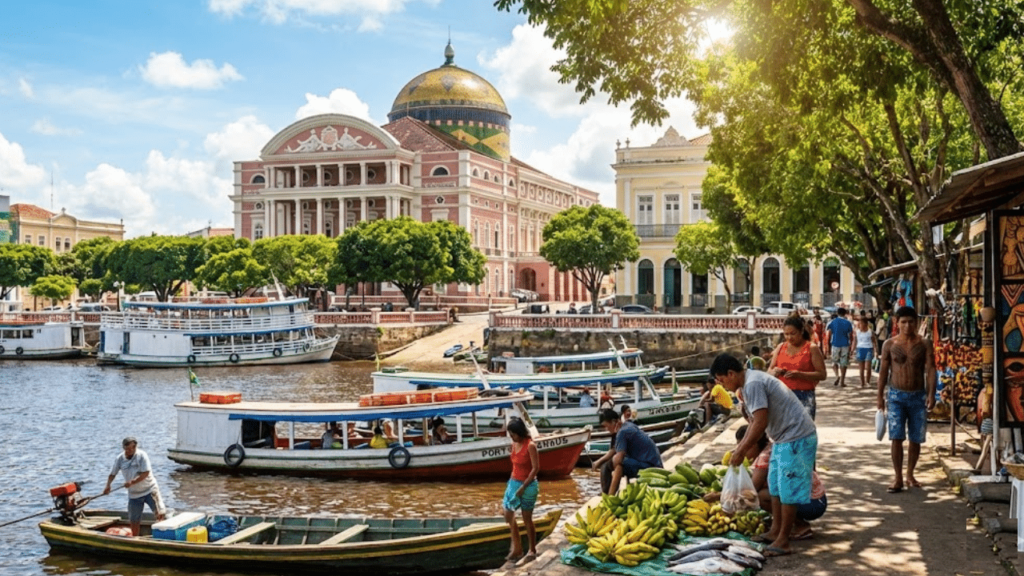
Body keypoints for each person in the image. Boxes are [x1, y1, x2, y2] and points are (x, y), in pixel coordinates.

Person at [709, 353, 817, 557]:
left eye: (722, 381)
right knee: (775, 486)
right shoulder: (748, 385)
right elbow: (753, 421)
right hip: (783, 438)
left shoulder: (753, 384)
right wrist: (740, 447)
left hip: (796, 436)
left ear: (731, 373)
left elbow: (760, 422)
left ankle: (783, 540)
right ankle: (775, 531)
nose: (723, 386)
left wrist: (741, 450)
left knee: (787, 490)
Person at [877, 306, 936, 493]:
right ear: (897, 322)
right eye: (903, 322)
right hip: (896, 396)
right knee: (896, 436)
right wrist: (879, 397)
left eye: (911, 322)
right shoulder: (890, 345)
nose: (907, 325)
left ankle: (910, 474)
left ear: (916, 323)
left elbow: (931, 369)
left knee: (916, 438)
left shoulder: (924, 343)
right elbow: (883, 372)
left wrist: (931, 393)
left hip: (918, 395)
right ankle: (898, 477)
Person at [103, 437, 166, 536]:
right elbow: (112, 474)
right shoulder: (120, 459)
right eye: (128, 449)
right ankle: (135, 538)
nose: (130, 450)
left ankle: (162, 535)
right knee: (134, 520)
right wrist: (108, 486)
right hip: (134, 494)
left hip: (149, 489)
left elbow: (145, 473)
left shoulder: (142, 455)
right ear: (123, 448)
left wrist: (132, 482)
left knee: (160, 514)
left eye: (133, 448)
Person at [768, 315, 827, 419]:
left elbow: (822, 374)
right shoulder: (780, 347)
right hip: (782, 394)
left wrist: (799, 374)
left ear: (801, 331)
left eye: (793, 334)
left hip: (804, 395)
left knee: (804, 431)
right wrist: (774, 372)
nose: (789, 337)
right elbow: (769, 370)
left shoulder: (811, 348)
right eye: (786, 334)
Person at [592, 408, 662, 495]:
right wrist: (600, 461)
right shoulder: (627, 425)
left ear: (614, 422)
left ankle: (610, 496)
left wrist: (610, 463)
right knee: (610, 463)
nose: (606, 429)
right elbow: (615, 449)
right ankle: (609, 492)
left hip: (650, 467)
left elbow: (618, 459)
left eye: (606, 426)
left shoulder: (622, 432)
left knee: (618, 464)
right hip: (653, 463)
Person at [503, 417, 540, 565]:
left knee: (526, 518)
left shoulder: (530, 445)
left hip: (529, 485)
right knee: (507, 512)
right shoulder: (514, 444)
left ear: (520, 432)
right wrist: (513, 485)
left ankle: (532, 550)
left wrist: (523, 487)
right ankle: (517, 547)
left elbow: (536, 468)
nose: (512, 438)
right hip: (514, 481)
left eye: (513, 434)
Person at [825, 307, 855, 387]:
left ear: (837, 313)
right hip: (845, 344)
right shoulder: (848, 323)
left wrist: (827, 346)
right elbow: (851, 335)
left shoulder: (832, 322)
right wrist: (851, 346)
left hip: (835, 344)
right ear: (845, 313)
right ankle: (842, 381)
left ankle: (837, 375)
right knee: (843, 363)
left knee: (834, 362)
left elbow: (829, 332)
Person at [855, 315, 879, 388]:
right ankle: (862, 383)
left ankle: (867, 381)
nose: (859, 325)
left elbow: (874, 342)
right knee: (861, 368)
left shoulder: (870, 332)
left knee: (868, 367)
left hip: (869, 349)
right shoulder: (857, 332)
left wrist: (876, 351)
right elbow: (855, 341)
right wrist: (852, 350)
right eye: (859, 323)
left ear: (865, 324)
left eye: (861, 323)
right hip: (860, 349)